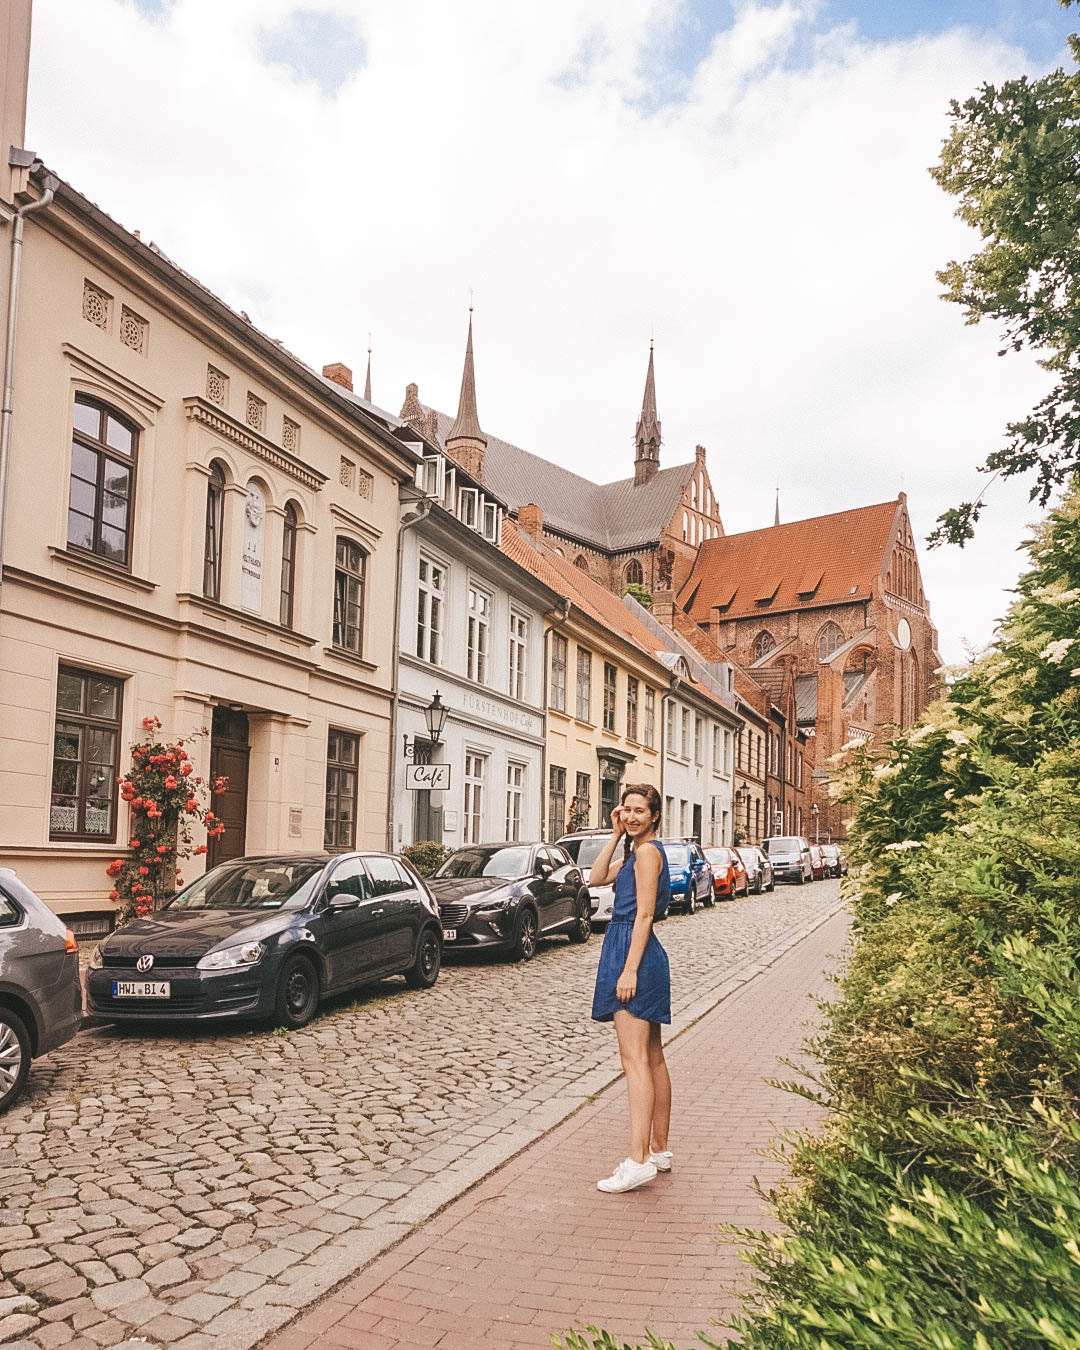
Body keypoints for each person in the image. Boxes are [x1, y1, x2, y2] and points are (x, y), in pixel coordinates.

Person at [589, 783, 672, 1193]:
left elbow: (642, 916)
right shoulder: (638, 851)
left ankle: (638, 1160)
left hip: (631, 951)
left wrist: (629, 971)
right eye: (627, 810)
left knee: (634, 1060)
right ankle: (658, 1149)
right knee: (652, 1057)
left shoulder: (645, 854)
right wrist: (615, 834)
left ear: (655, 815)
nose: (633, 816)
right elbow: (595, 877)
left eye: (641, 811)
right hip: (638, 952)